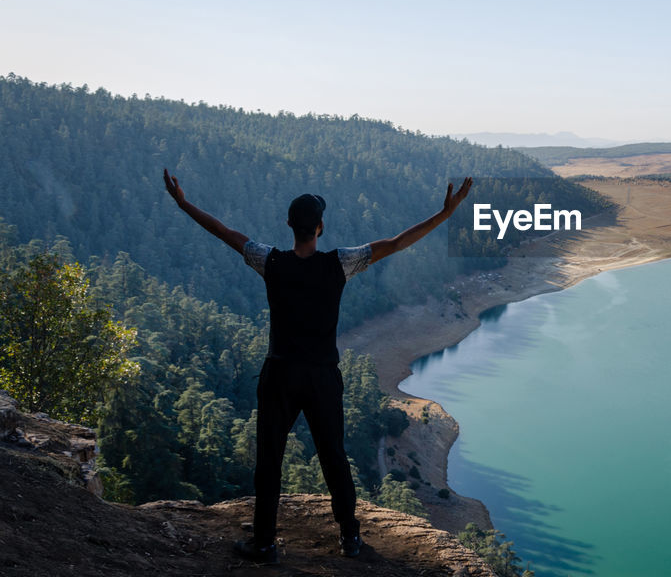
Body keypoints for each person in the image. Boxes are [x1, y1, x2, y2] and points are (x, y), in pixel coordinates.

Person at [162, 169, 472, 563]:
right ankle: (350, 539)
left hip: (280, 374)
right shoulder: (340, 263)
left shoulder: (269, 261)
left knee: (269, 460)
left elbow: (224, 231)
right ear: (320, 228)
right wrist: (445, 214)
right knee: (334, 457)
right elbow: (395, 243)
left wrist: (184, 203)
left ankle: (264, 542)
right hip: (323, 376)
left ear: (290, 226)